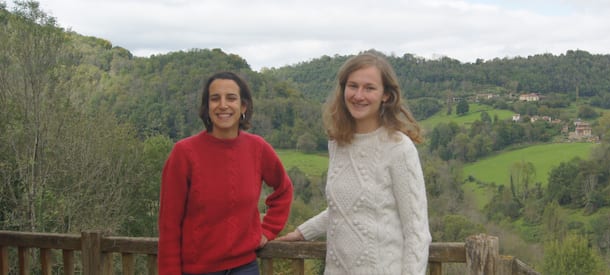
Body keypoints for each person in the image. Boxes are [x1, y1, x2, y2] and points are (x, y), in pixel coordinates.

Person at [276, 52, 432, 274]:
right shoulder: (338, 143)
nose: (359, 95)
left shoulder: (399, 148)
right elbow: (346, 207)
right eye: (353, 86)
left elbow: (417, 231)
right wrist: (303, 232)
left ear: (386, 95)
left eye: (369, 88)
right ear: (343, 90)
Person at [158, 71, 293, 275]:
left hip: (245, 267)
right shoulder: (184, 153)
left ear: (243, 106)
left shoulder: (258, 148)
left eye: (231, 98)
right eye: (215, 99)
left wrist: (268, 230)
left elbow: (284, 189)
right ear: (207, 107)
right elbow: (169, 225)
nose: (223, 105)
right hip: (198, 270)